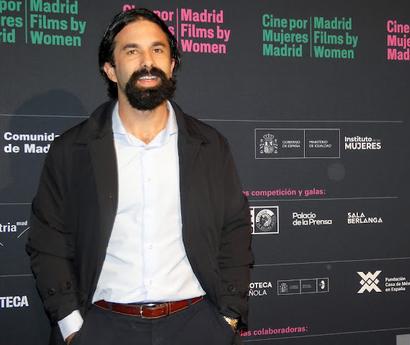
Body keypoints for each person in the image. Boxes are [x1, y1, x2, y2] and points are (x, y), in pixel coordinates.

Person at [26, 8, 253, 345]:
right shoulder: (72, 150)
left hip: (197, 325)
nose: (148, 61)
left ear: (172, 63)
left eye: (158, 49)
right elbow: (48, 241)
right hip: (104, 327)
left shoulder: (210, 146)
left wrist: (228, 317)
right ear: (110, 69)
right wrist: (72, 327)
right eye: (132, 51)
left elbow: (234, 232)